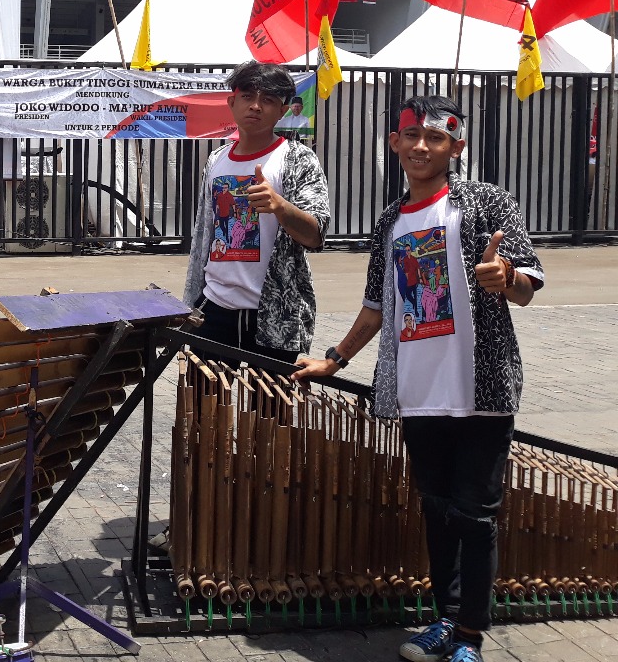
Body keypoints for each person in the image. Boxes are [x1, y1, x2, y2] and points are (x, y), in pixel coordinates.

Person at [295, 96, 542, 662]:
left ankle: (470, 637)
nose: (422, 147)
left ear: (456, 146)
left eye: (436, 137)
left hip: (481, 390)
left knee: (476, 516)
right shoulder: (390, 221)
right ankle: (445, 619)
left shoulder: (486, 202)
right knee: (437, 509)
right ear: (395, 142)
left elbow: (528, 286)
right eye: (411, 135)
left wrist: (505, 278)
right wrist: (335, 358)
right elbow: (376, 305)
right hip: (418, 389)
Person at [182, 61, 329, 365]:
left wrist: (280, 206)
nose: (256, 106)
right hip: (214, 307)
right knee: (205, 394)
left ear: (283, 110)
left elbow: (316, 235)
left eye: (268, 100)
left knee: (269, 397)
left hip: (276, 313)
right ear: (232, 102)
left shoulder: (298, 159)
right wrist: (193, 299)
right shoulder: (217, 160)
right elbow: (204, 234)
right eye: (247, 97)